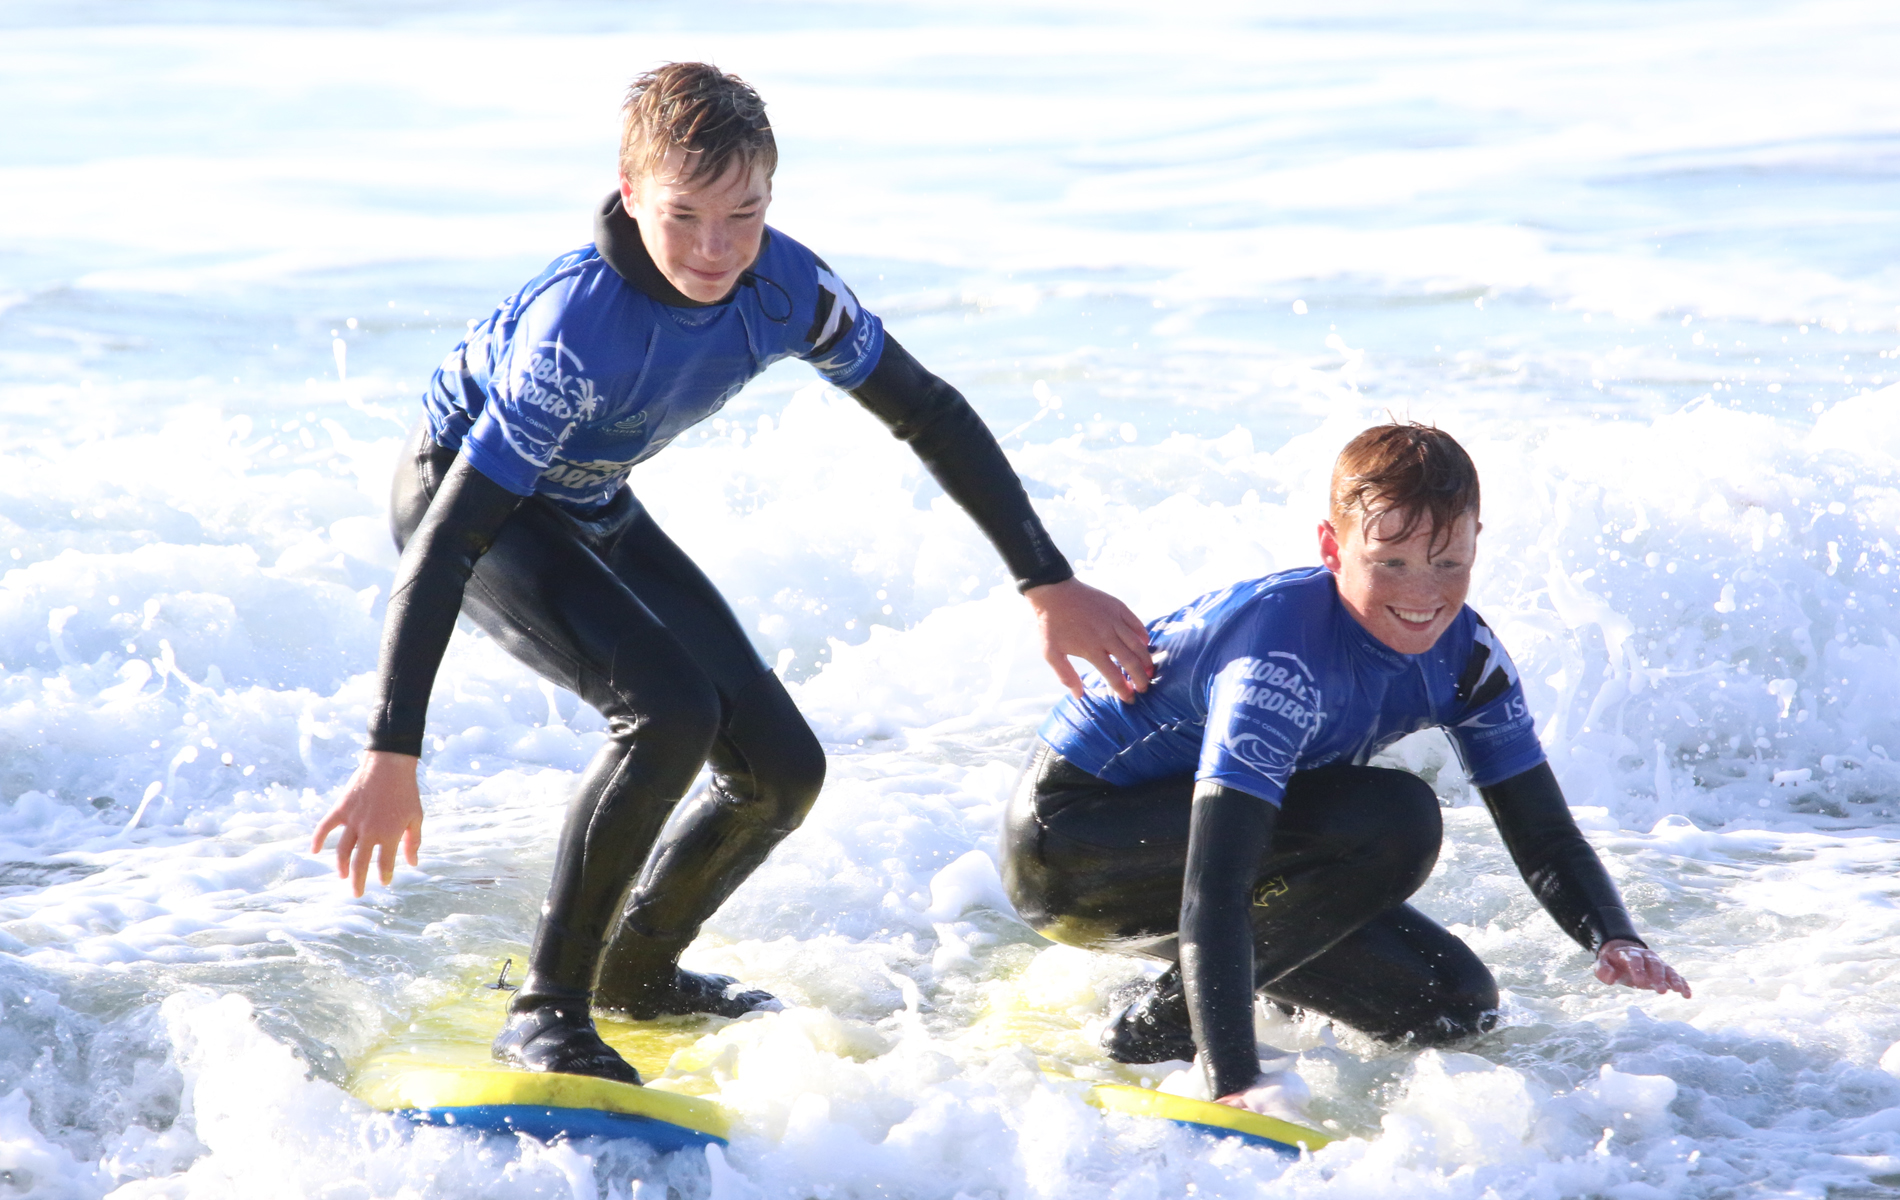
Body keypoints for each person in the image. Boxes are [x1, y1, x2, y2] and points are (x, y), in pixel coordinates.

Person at [309, 63, 1153, 1086]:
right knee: (664, 712)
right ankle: (546, 1009)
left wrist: (1044, 580)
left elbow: (925, 408)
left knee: (781, 769)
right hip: (471, 504)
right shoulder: (571, 333)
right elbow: (447, 542)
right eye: (685, 217)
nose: (715, 250)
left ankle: (639, 973)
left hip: (590, 498)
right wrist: (391, 751)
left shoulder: (788, 287)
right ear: (630, 195)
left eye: (743, 214)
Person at [1000, 422, 1690, 1119]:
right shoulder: (1278, 654)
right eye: (1390, 563)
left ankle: (1145, 1010)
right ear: (1333, 547)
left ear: (1476, 541)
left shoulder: (1469, 658)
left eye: (1448, 563)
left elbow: (1545, 835)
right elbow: (1218, 879)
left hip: (1184, 849)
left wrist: (1613, 934)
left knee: (1450, 1006)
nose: (1423, 594)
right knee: (1393, 819)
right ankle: (1152, 1034)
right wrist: (1234, 1080)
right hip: (1071, 845)